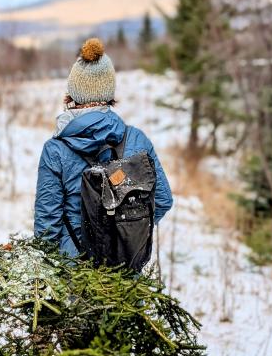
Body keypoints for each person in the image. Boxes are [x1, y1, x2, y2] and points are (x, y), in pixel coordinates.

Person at [34, 37, 173, 261]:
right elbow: (163, 200)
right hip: (125, 276)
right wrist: (126, 231)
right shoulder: (136, 139)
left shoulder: (55, 149)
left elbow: (46, 227)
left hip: (72, 276)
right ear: (109, 93)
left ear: (73, 93)